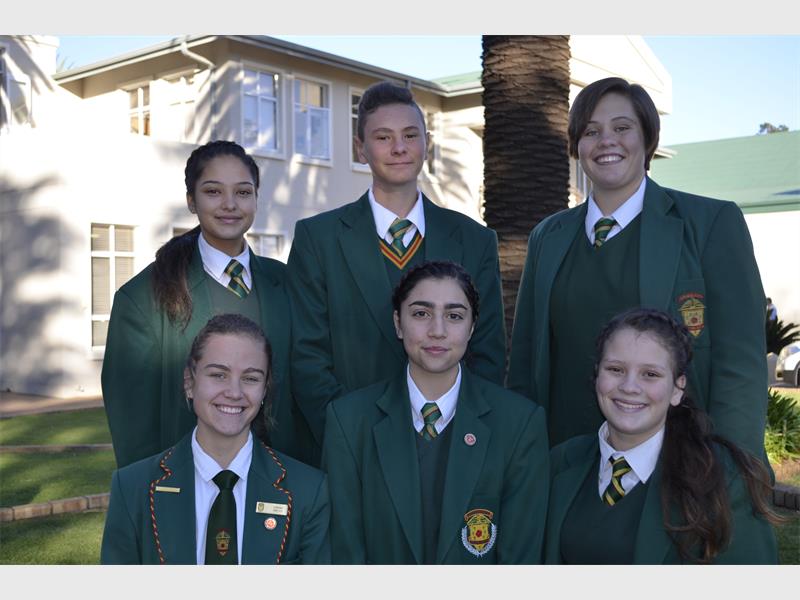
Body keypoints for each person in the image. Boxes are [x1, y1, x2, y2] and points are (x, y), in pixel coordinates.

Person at [507, 77, 768, 458]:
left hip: (679, 466)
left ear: (648, 139)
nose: (606, 141)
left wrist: (732, 467)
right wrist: (520, 460)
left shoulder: (710, 224)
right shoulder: (547, 237)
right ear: (576, 146)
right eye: (591, 131)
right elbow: (525, 366)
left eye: (622, 128)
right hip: (565, 465)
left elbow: (740, 365)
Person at [287, 81, 506, 466]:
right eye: (383, 137)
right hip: (353, 451)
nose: (399, 147)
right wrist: (352, 439)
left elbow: (487, 353)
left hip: (450, 449)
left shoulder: (475, 240)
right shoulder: (318, 239)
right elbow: (307, 358)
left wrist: (455, 437)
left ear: (427, 143)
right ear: (360, 148)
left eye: (410, 135)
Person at [322, 261, 548, 564]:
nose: (437, 331)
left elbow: (520, 561)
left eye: (454, 316)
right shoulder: (349, 422)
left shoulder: (520, 424)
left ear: (472, 327)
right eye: (421, 314)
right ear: (398, 323)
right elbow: (345, 555)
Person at [102, 140, 296, 469]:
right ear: (191, 201)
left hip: (277, 480)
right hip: (187, 483)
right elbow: (134, 426)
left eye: (243, 192)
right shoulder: (141, 298)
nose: (230, 204)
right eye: (213, 191)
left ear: (256, 199)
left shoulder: (288, 283)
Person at [545, 308, 778, 564]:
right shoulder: (560, 463)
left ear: (677, 389)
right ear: (597, 375)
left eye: (650, 374)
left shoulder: (723, 477)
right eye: (615, 369)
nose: (629, 387)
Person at [101, 314, 330, 564]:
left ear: (265, 390)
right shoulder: (132, 489)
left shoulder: (308, 493)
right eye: (219, 375)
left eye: (251, 378)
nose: (234, 392)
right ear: (189, 382)